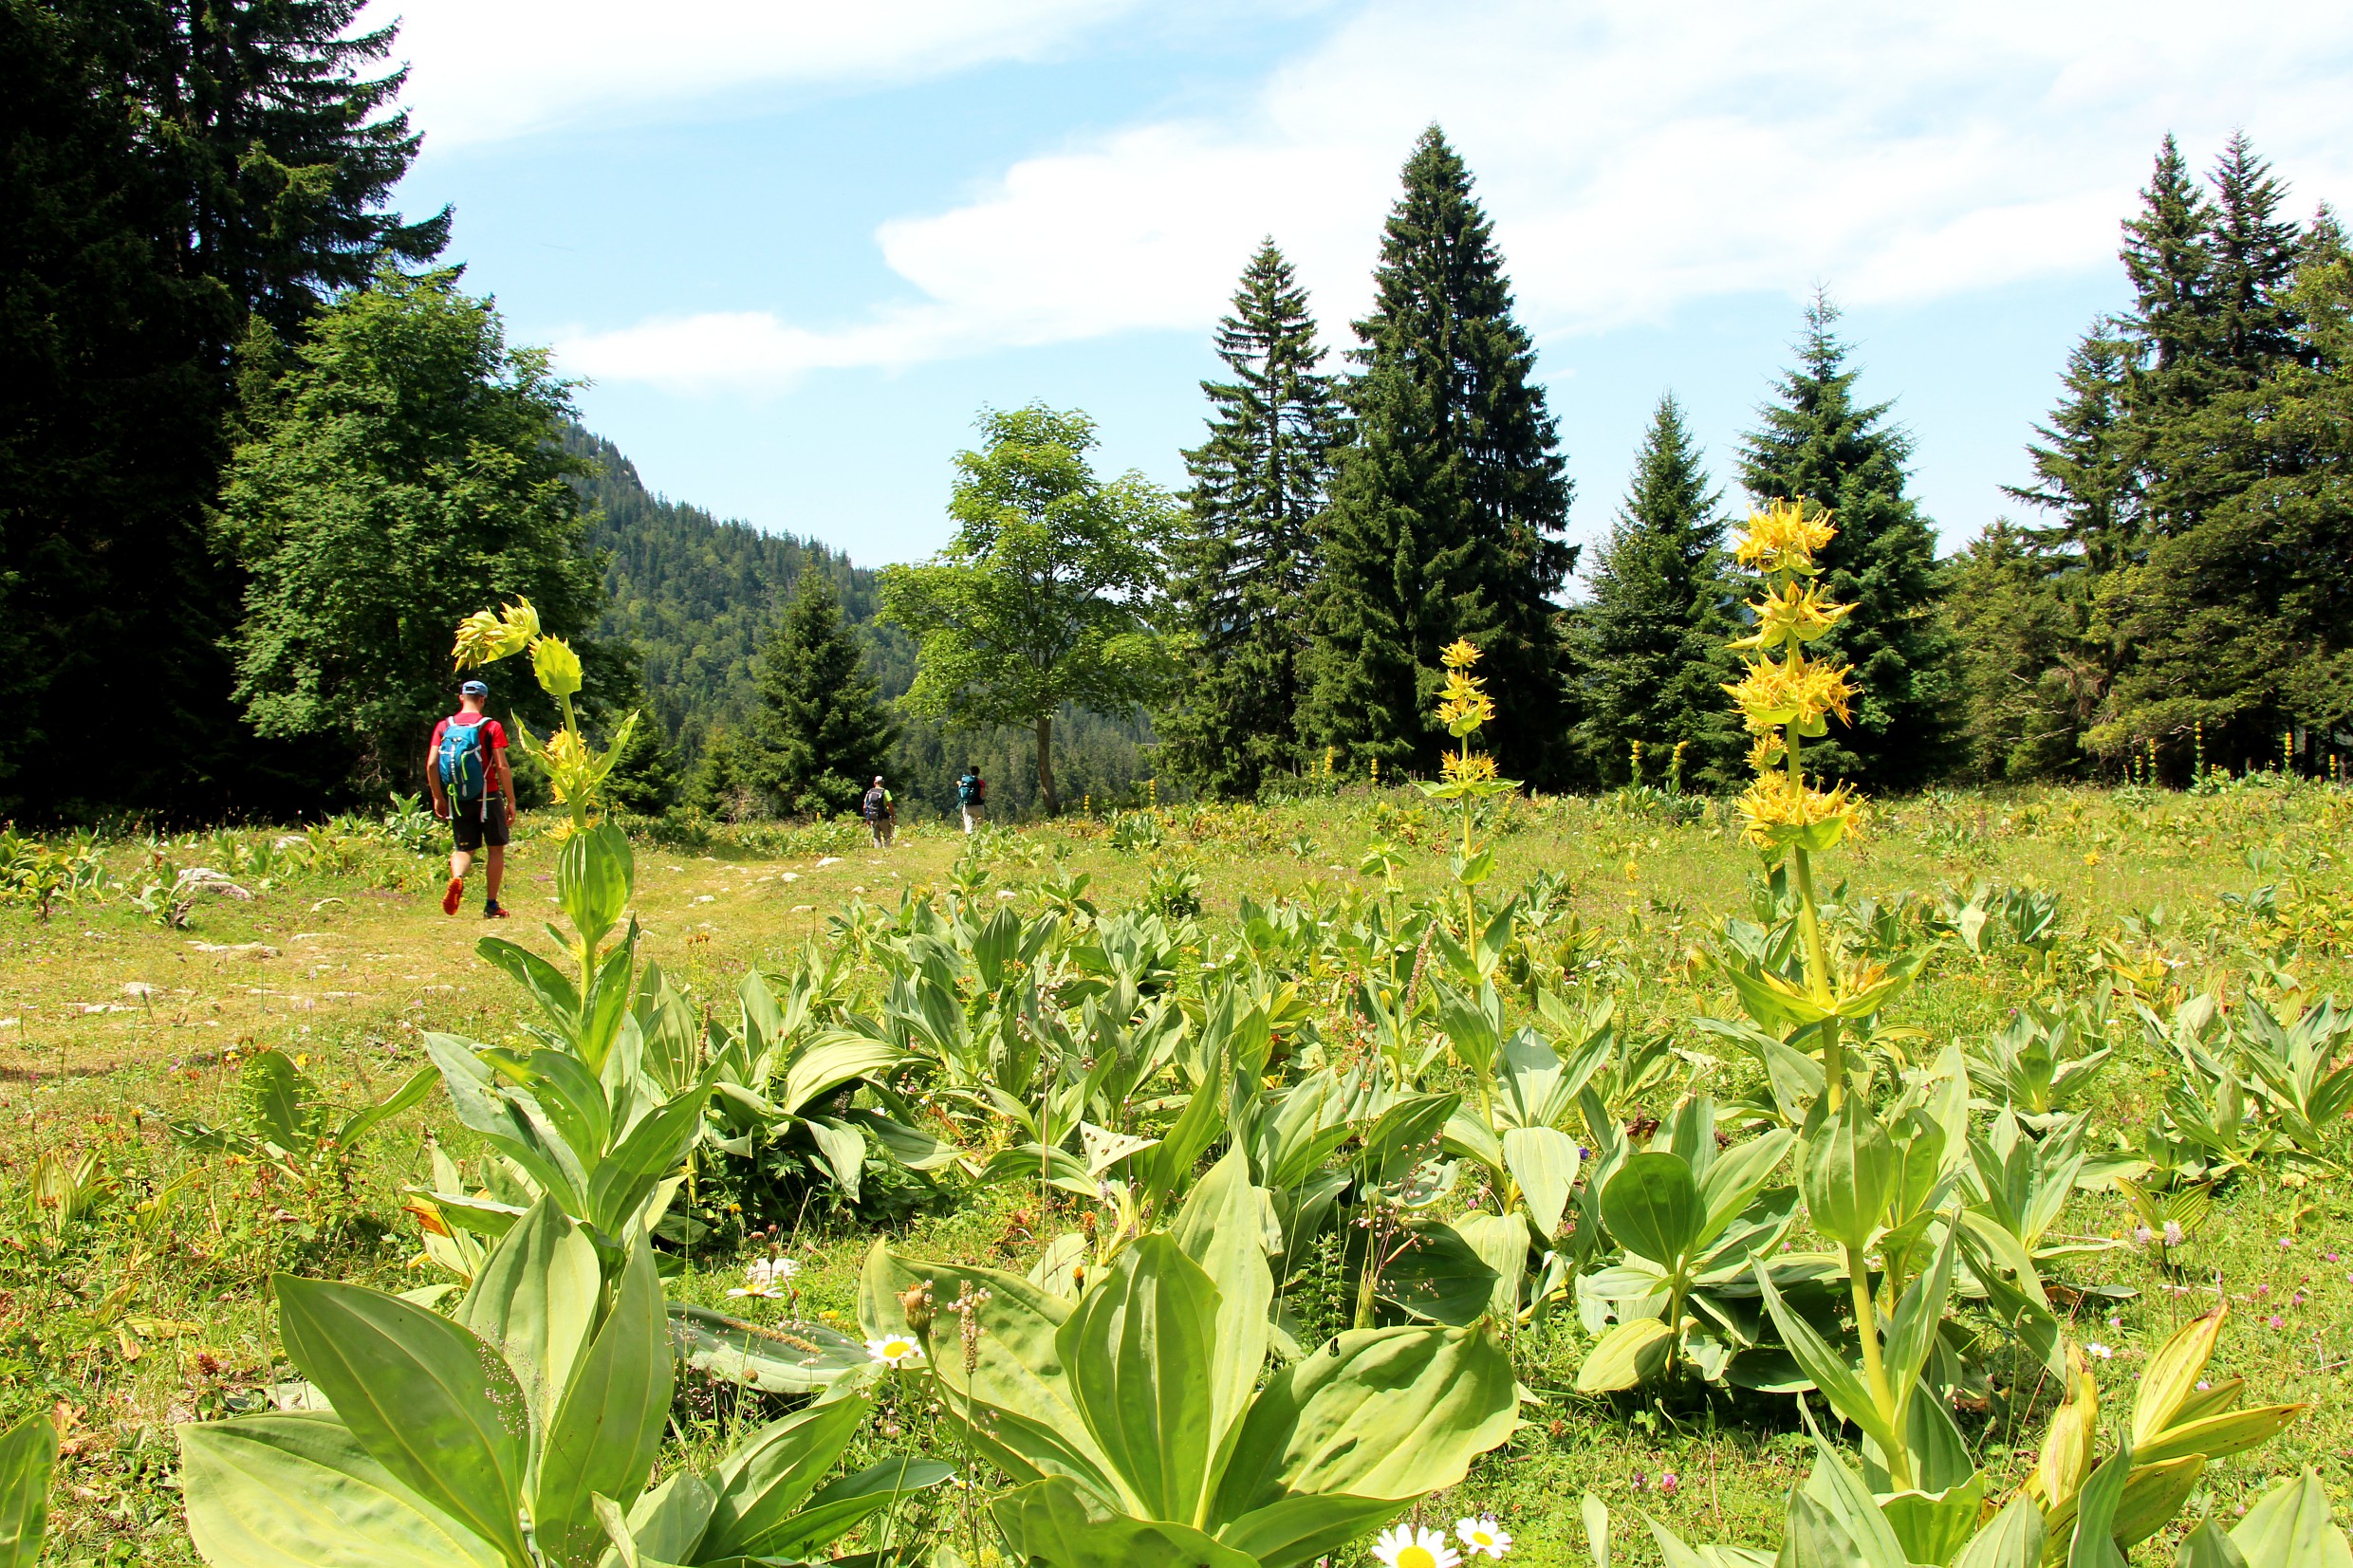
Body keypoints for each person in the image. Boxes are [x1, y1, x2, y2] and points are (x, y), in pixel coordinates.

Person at [427, 679, 516, 917]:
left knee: (463, 849)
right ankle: (491, 905)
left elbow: (432, 763)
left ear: (461, 698)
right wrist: (511, 801)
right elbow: (502, 766)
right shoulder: (490, 726)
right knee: (495, 850)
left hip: (458, 796)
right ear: (483, 700)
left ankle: (457, 877)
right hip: (488, 796)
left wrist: (438, 796)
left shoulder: (444, 726)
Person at [861, 774, 896, 849]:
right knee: (887, 836)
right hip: (884, 818)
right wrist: (893, 816)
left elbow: (864, 807)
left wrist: (867, 818)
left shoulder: (869, 792)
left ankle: (878, 854)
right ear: (882, 783)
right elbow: (890, 806)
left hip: (872, 818)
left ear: (874, 783)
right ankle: (887, 852)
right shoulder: (885, 792)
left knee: (876, 838)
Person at [956, 765, 987, 834]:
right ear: (978, 773)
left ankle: (969, 836)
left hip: (967, 805)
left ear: (970, 772)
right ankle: (978, 839)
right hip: (978, 805)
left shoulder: (966, 781)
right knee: (979, 825)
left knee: (968, 823)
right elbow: (982, 795)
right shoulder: (980, 782)